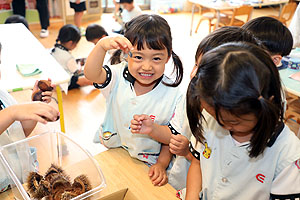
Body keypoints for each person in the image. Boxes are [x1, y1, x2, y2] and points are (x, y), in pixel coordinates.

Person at [130, 26, 262, 191]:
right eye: (196, 64)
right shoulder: (192, 97)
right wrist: (153, 129)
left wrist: (187, 152)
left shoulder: (239, 125)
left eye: (203, 69)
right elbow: (175, 134)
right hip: (182, 182)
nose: (193, 74)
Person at [185, 42, 300, 200]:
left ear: (265, 104)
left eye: (233, 122)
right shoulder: (213, 117)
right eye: (213, 116)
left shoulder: (287, 156)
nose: (220, 125)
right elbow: (197, 163)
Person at [84, 14, 184, 187]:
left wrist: (161, 163)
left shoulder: (174, 94)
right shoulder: (116, 76)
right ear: (126, 55)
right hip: (115, 151)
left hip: (149, 164)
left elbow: (172, 137)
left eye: (156, 58)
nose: (147, 66)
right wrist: (101, 46)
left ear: (168, 57)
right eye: (138, 57)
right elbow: (91, 74)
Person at [0, 42, 60, 192]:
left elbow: (19, 133)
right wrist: (12, 112)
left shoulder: (2, 95)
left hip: (19, 180)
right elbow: (10, 115)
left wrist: (35, 107)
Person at [51, 24, 93, 90]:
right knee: (87, 79)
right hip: (63, 83)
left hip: (53, 79)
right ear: (70, 43)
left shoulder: (54, 49)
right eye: (76, 43)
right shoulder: (68, 58)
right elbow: (77, 71)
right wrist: (80, 64)